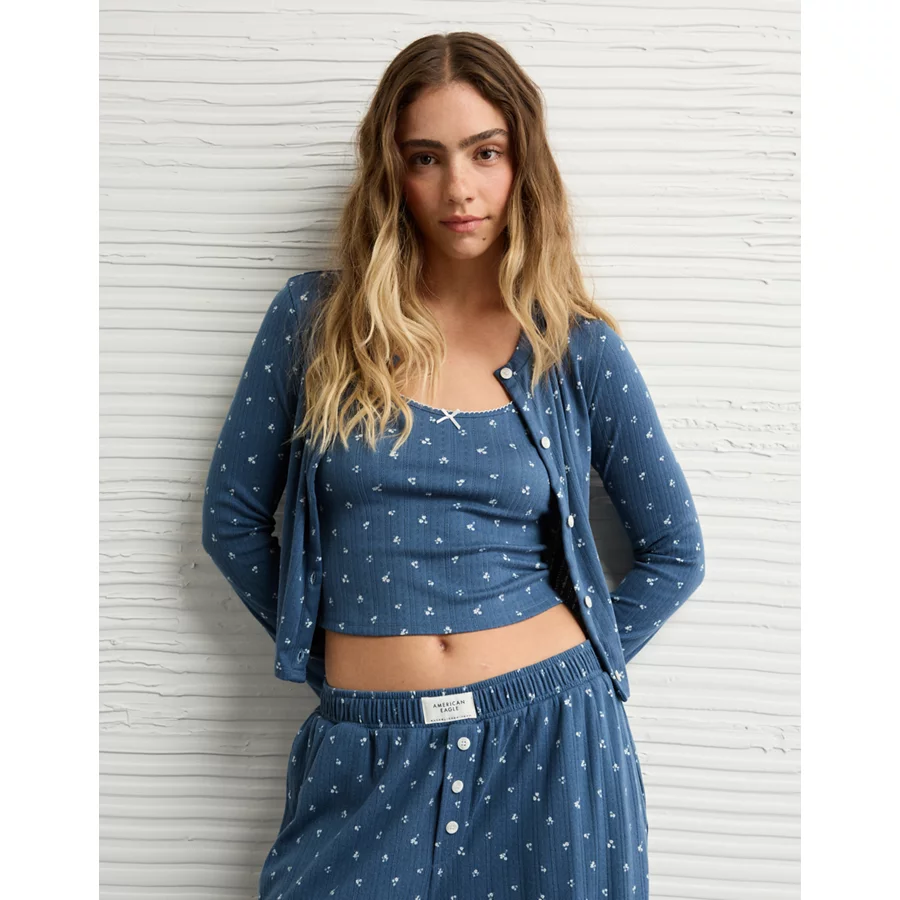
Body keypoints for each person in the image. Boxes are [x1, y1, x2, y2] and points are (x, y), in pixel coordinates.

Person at [201, 31, 705, 900]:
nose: (459, 188)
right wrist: (334, 659)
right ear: (390, 172)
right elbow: (232, 520)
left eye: (486, 152)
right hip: (368, 747)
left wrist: (578, 670)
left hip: (552, 742)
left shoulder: (575, 348)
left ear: (522, 164)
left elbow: (675, 551)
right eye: (425, 157)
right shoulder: (315, 323)